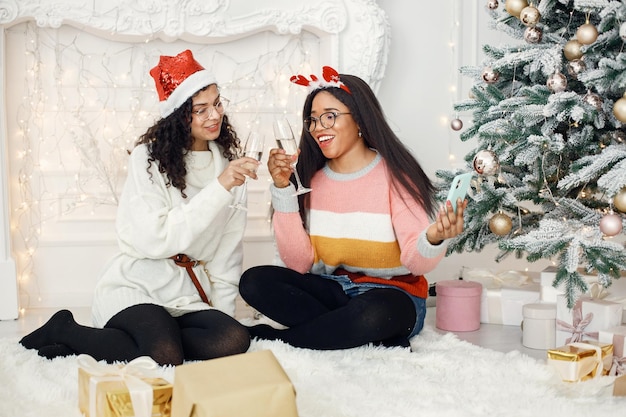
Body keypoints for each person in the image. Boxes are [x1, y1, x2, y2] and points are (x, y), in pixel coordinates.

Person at [19, 49, 257, 365]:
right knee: (165, 354)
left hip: (185, 295)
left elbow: (227, 255)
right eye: (200, 109)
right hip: (137, 284)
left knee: (233, 338)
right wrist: (219, 187)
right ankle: (66, 329)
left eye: (217, 103)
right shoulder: (148, 159)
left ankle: (104, 341)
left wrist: (220, 316)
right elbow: (155, 238)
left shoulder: (228, 169)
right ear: (178, 115)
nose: (214, 115)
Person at [239, 66, 467, 350]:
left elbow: (415, 262)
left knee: (373, 313)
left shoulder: (395, 176)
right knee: (254, 281)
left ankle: (279, 338)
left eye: (329, 117)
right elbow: (299, 265)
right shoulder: (311, 181)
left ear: (358, 119)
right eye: (312, 120)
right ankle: (359, 333)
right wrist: (283, 189)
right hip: (335, 291)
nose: (318, 128)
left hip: (393, 295)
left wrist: (434, 237)